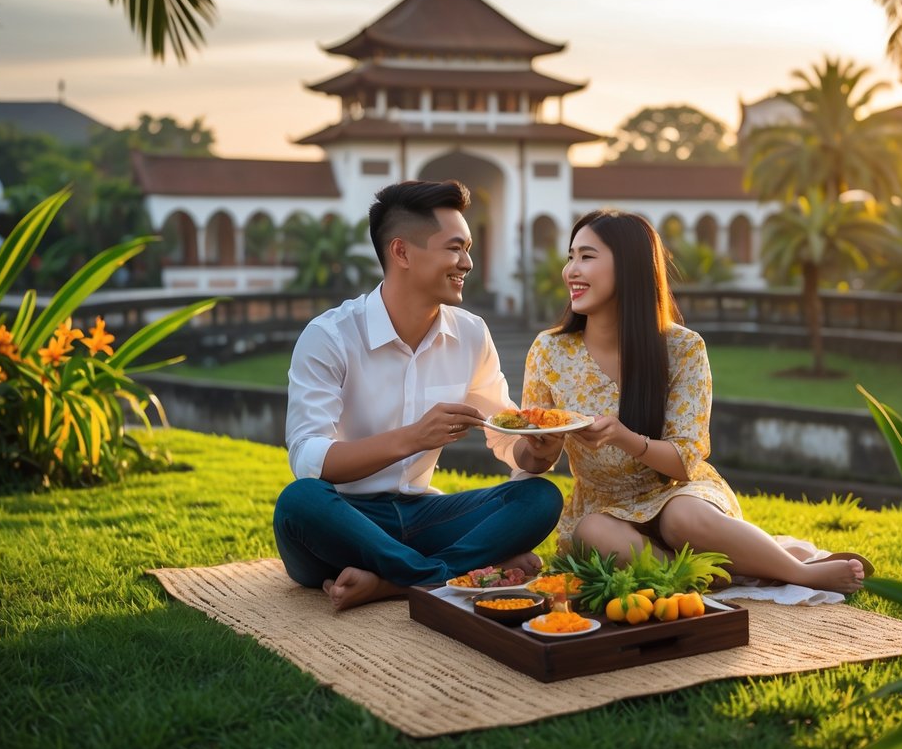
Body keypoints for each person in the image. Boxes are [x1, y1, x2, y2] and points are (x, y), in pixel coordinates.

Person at [518, 209, 871, 595]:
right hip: (602, 507)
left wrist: (623, 436)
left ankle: (797, 572)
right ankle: (726, 572)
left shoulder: (683, 348)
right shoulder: (549, 350)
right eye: (571, 257)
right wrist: (540, 448)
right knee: (593, 532)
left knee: (680, 518)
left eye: (587, 257)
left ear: (631, 266)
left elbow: (686, 462)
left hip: (678, 492)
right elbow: (531, 459)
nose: (571, 269)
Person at [273, 180, 564, 610]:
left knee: (539, 496)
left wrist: (538, 452)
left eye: (467, 248)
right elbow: (310, 460)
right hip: (344, 520)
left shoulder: (470, 334)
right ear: (402, 252)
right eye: (454, 248)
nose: (467, 262)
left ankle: (397, 581)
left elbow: (504, 436)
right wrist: (414, 437)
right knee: (299, 503)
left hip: (424, 517)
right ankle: (449, 574)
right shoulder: (329, 336)